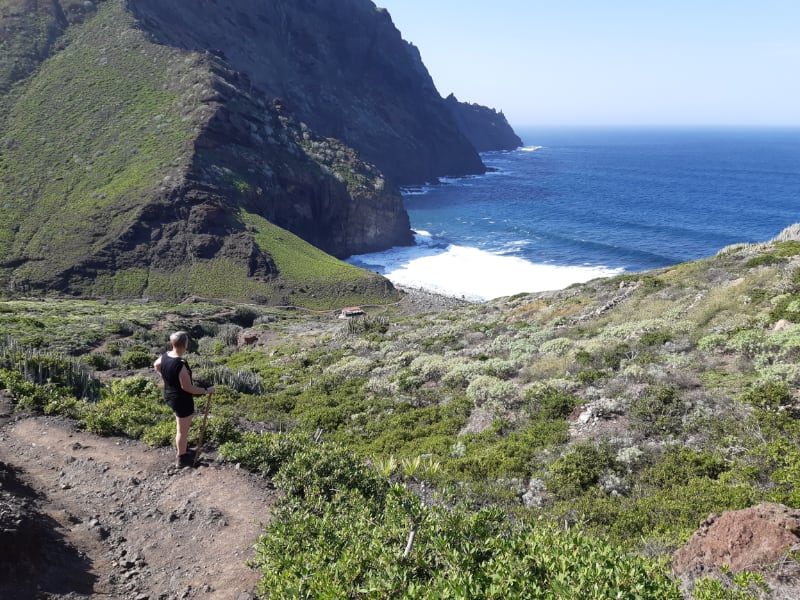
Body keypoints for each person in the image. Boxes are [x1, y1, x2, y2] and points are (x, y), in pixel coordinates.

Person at [153, 331, 214, 467]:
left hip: (169, 395)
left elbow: (156, 365)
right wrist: (206, 391)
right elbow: (187, 387)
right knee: (182, 431)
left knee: (180, 427)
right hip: (181, 400)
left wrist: (167, 377)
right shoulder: (180, 363)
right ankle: (181, 458)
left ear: (172, 343)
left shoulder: (165, 356)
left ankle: (182, 449)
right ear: (185, 345)